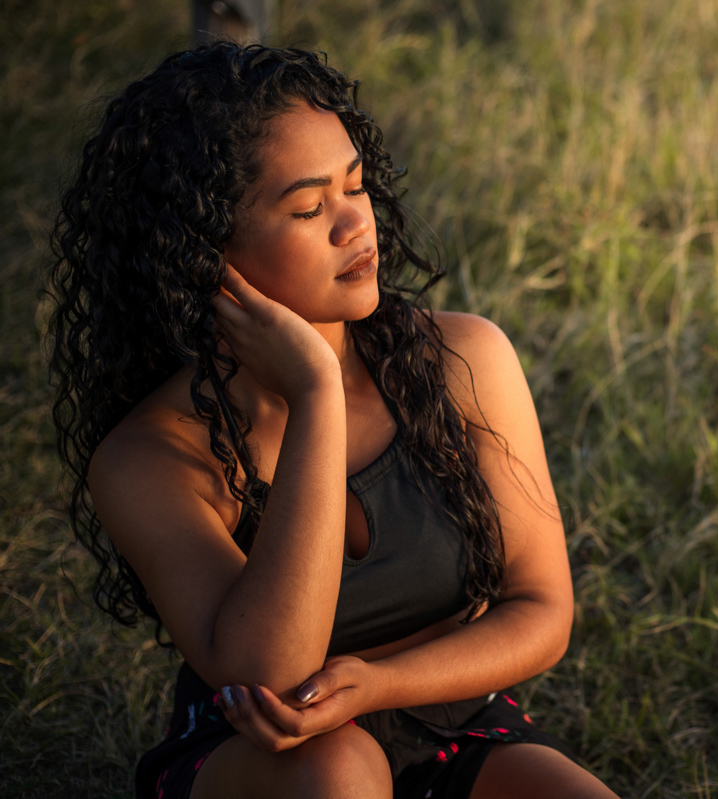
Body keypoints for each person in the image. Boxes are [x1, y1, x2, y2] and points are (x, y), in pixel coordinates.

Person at [47, 42, 618, 799]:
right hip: (271, 758)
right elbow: (271, 673)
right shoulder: (152, 457)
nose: (356, 224)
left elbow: (541, 610)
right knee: (341, 768)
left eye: (356, 184)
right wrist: (316, 392)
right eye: (309, 208)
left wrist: (379, 684)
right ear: (204, 255)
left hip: (457, 725)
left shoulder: (464, 360)